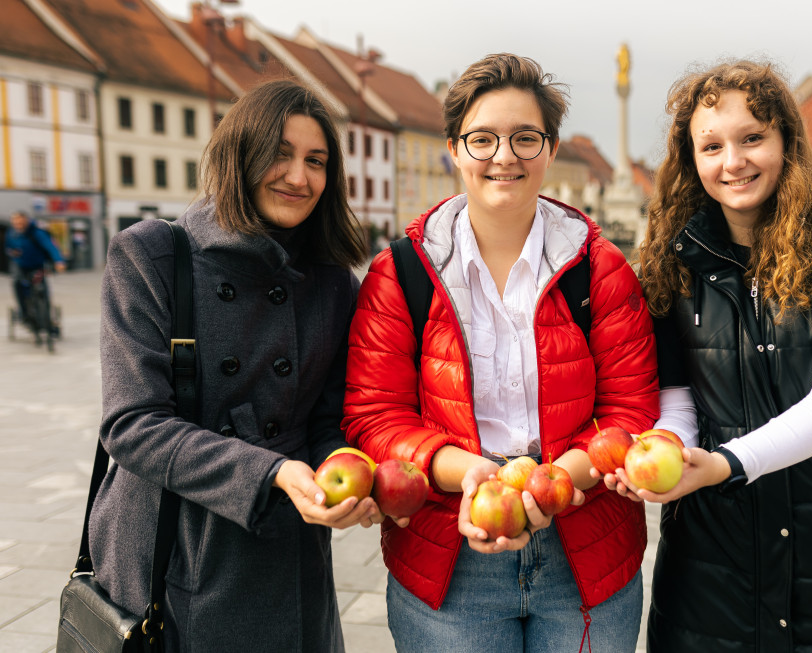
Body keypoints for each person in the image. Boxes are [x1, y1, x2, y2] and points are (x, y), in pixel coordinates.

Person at [342, 53, 659, 652]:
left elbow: (631, 409)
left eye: (524, 138)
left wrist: (558, 482)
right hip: (448, 556)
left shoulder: (601, 268)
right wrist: (468, 476)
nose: (503, 156)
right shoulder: (401, 272)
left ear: (551, 148)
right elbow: (373, 413)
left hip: (585, 553)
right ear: (454, 149)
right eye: (482, 139)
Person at [618, 60, 812, 651]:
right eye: (712, 146)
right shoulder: (670, 262)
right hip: (711, 568)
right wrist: (664, 453)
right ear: (690, 159)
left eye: (753, 138)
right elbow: (677, 405)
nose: (734, 162)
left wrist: (726, 463)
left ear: (786, 140)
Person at [90, 79, 378, 652]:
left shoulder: (333, 282)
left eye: (315, 161)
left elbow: (328, 423)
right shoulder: (152, 255)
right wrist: (268, 472)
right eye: (279, 153)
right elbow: (133, 424)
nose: (299, 177)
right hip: (172, 553)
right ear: (237, 153)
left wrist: (341, 471)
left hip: (286, 554)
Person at [5, 211, 66, 325]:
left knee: (42, 289)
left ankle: (47, 320)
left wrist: (59, 261)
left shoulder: (37, 233)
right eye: (16, 223)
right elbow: (7, 248)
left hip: (37, 266)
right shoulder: (11, 234)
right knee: (17, 284)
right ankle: (24, 314)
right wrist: (12, 252)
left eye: (21, 222)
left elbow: (50, 246)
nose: (19, 225)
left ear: (26, 221)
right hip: (20, 266)